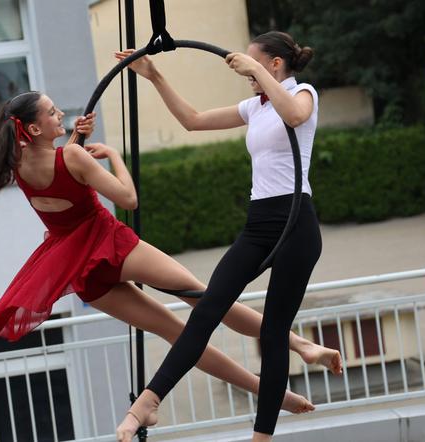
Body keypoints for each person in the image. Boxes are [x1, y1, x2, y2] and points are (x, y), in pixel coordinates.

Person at [0, 88, 339, 423]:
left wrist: (76, 140)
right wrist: (111, 155)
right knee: (206, 301)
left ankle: (273, 395)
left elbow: (63, 178)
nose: (59, 113)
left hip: (79, 268)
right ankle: (301, 345)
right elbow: (127, 199)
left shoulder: (19, 167)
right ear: (31, 129)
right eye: (51, 112)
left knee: (176, 333)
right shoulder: (74, 157)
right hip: (107, 245)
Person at [115, 31, 322, 442]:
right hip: (260, 223)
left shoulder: (303, 94)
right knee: (207, 309)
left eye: (255, 61)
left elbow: (295, 118)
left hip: (296, 223)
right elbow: (192, 121)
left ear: (274, 64)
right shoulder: (255, 106)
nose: (245, 68)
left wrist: (259, 74)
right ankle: (149, 401)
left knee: (274, 332)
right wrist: (155, 76)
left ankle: (262, 436)